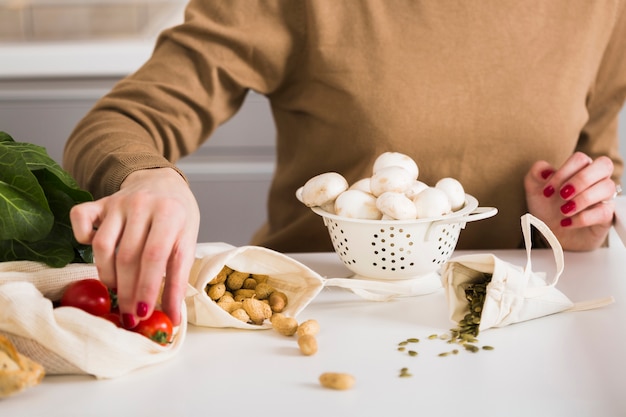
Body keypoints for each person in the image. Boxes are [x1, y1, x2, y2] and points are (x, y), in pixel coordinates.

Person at [63, 1, 626, 329]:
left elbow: (600, 163)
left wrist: (579, 217)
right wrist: (148, 176)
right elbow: (120, 122)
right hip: (323, 322)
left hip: (522, 325)